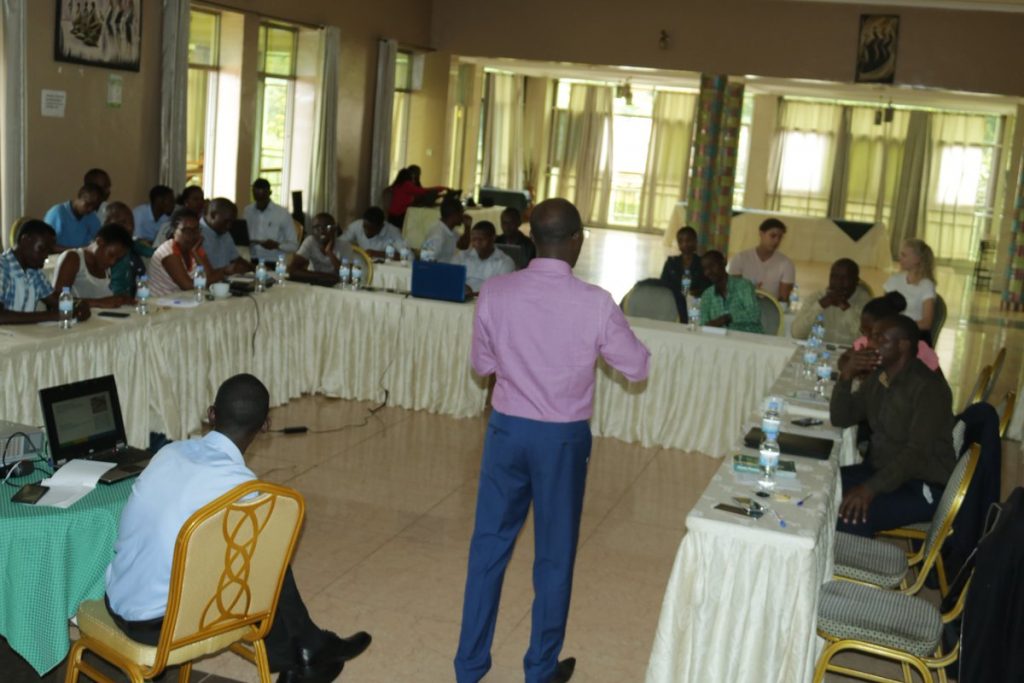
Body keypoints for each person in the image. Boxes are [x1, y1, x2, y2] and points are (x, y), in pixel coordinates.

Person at [455, 198, 650, 683]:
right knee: (554, 557)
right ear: (577, 240)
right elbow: (637, 366)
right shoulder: (596, 302)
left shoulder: (496, 292)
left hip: (506, 432)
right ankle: (540, 668)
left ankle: (469, 666)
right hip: (562, 441)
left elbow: (482, 365)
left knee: (488, 549)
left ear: (532, 238)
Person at [104, 374, 371, 683]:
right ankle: (307, 650)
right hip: (162, 627)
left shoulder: (169, 453)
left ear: (211, 414)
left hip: (118, 601)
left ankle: (308, 648)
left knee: (256, 547)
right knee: (267, 552)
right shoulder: (240, 487)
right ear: (266, 426)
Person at [830, 315, 955, 536]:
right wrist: (846, 376)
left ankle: (850, 557)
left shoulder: (928, 388)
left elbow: (916, 454)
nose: (871, 344)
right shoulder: (880, 378)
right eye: (872, 337)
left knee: (849, 514)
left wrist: (869, 489)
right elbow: (842, 418)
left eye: (880, 339)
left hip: (921, 484)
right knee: (822, 488)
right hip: (882, 470)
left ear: (903, 345)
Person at [0, 220, 91, 325]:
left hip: (24, 334)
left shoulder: (34, 272)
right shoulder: (3, 266)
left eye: (49, 251)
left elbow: (55, 300)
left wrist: (77, 305)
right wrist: (51, 315)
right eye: (41, 249)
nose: (45, 256)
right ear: (25, 240)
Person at [841, 292, 941, 373]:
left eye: (874, 335)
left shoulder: (919, 350)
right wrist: (855, 366)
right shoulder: (864, 343)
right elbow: (843, 359)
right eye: (863, 332)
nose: (867, 339)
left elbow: (940, 384)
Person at [51, 223, 134, 308]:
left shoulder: (103, 264)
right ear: (99, 242)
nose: (112, 262)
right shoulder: (73, 258)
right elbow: (55, 300)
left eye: (117, 259)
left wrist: (120, 299)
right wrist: (98, 303)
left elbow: (99, 296)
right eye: (111, 255)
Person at [790, 258, 870, 345]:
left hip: (851, 352)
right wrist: (820, 305)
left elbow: (866, 339)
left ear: (856, 281)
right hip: (818, 350)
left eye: (845, 278)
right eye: (834, 276)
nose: (838, 282)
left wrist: (846, 307)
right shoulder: (816, 298)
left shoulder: (866, 303)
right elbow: (796, 333)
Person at [146, 208, 222, 297]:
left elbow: (209, 275)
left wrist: (195, 252)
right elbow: (187, 285)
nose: (192, 235)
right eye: (186, 231)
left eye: (196, 230)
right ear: (174, 231)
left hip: (181, 299)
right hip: (157, 301)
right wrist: (222, 274)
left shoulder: (195, 248)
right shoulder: (168, 251)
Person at [884, 238, 937, 346]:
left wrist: (899, 327)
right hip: (893, 333)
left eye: (904, 255)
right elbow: (883, 309)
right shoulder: (894, 279)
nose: (899, 258)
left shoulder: (926, 285)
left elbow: (926, 323)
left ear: (917, 259)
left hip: (915, 335)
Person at [727, 218, 795, 301]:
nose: (776, 241)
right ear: (761, 234)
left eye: (780, 237)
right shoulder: (740, 259)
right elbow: (733, 292)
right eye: (773, 236)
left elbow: (783, 299)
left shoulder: (786, 264)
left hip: (771, 307)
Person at [699, 250, 764, 333]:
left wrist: (727, 318)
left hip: (749, 337)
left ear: (724, 262)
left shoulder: (743, 286)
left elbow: (754, 314)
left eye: (712, 266)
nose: (708, 272)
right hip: (719, 339)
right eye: (705, 269)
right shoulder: (707, 295)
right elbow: (703, 324)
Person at [288, 213, 354, 285]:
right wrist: (328, 277)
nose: (322, 231)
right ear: (312, 230)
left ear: (334, 229)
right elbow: (292, 270)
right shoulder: (310, 241)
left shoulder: (345, 246)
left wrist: (330, 253)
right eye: (317, 227)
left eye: (327, 227)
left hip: (337, 287)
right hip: (314, 284)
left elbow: (348, 277)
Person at [243, 178, 298, 265]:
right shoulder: (247, 211)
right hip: (252, 259)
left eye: (263, 199)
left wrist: (277, 245)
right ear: (253, 194)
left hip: (275, 261)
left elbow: (294, 246)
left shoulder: (282, 213)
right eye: (257, 199)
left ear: (270, 193)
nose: (260, 203)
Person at [105, 202, 153, 297]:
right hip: (111, 299)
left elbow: (155, 253)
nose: (130, 227)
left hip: (132, 299)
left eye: (132, 222)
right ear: (107, 223)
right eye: (123, 222)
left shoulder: (133, 244)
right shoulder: (102, 250)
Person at [453, 221, 515, 294]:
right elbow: (451, 280)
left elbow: (501, 291)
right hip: (461, 299)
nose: (476, 243)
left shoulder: (505, 262)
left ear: (493, 238)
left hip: (488, 300)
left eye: (481, 239)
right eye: (473, 239)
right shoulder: (462, 256)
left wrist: (472, 294)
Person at [200, 198, 252, 275]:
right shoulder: (195, 232)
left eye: (232, 222)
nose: (229, 226)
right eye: (226, 221)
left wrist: (258, 268)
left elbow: (236, 258)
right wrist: (225, 270)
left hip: (226, 279)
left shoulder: (224, 231)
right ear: (213, 215)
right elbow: (201, 271)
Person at [43, 183, 103, 250]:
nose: (90, 209)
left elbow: (99, 238)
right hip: (59, 256)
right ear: (80, 197)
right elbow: (48, 245)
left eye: (95, 207)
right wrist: (77, 252)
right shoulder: (57, 213)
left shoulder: (92, 217)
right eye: (88, 204)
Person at [339, 207, 405, 256]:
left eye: (371, 229)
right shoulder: (357, 225)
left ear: (381, 226)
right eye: (365, 227)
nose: (366, 231)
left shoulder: (393, 231)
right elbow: (340, 243)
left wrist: (378, 254)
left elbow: (406, 255)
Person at [422, 199, 465, 263]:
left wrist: (467, 227)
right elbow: (427, 260)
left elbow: (463, 246)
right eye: (462, 213)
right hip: (439, 269)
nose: (463, 217)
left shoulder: (451, 230)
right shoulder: (437, 234)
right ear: (454, 215)